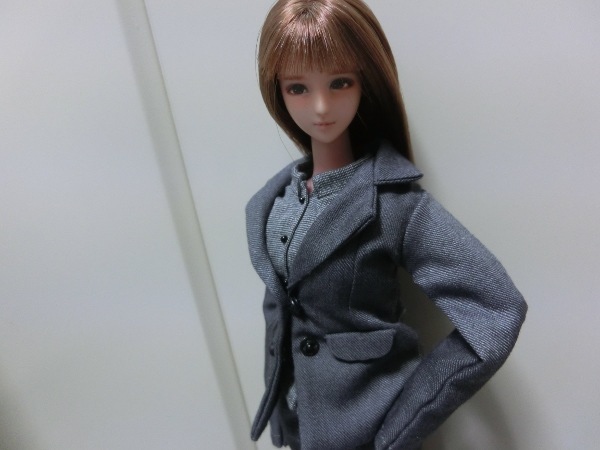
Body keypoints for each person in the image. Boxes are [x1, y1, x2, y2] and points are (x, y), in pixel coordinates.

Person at [245, 1, 527, 449]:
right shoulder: (275, 201)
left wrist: (407, 416)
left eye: (340, 82)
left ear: (366, 81)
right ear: (277, 91)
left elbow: (497, 309)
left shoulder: (394, 206)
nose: (321, 106)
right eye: (298, 88)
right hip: (299, 428)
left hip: (365, 427)